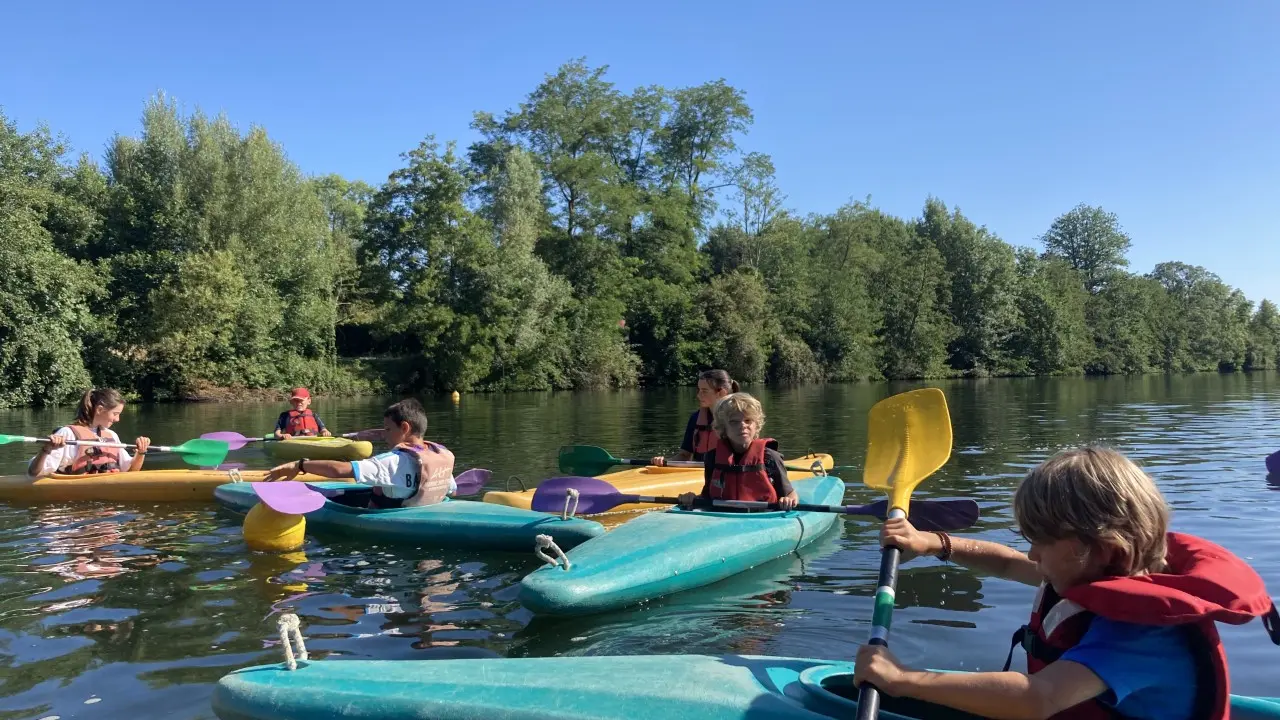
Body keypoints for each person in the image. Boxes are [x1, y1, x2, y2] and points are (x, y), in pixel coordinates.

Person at [852, 446, 1280, 720]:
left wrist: (904, 680)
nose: (1033, 555)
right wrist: (932, 542)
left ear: (1103, 550)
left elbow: (1038, 698)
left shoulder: (1144, 633)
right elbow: (1005, 564)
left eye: (1041, 542)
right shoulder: (1089, 571)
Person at [263, 398, 454, 509]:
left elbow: (340, 470)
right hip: (426, 507)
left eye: (387, 429)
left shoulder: (392, 462)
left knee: (361, 492)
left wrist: (300, 465)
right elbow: (452, 489)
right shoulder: (440, 454)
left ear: (404, 427)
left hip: (391, 516)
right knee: (376, 488)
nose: (384, 435)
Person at [677, 393, 800, 511]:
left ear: (756, 425)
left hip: (763, 515)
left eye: (748, 421)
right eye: (734, 422)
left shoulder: (770, 457)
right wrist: (691, 498)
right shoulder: (712, 457)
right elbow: (707, 496)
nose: (742, 426)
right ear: (723, 427)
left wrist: (788, 500)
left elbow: (790, 494)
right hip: (723, 516)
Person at [27, 389, 151, 479]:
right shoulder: (67, 434)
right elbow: (34, 473)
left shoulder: (111, 435)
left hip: (106, 501)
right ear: (100, 410)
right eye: (115, 413)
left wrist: (141, 453)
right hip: (76, 501)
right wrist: (46, 449)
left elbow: (130, 471)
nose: (117, 419)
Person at [651, 369, 739, 467]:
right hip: (698, 472)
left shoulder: (739, 418)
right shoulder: (695, 418)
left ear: (721, 392)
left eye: (704, 391)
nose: (698, 395)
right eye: (699, 390)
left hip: (726, 472)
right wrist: (665, 462)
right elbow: (684, 455)